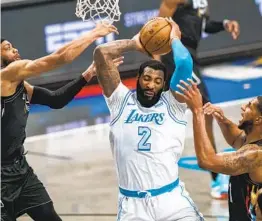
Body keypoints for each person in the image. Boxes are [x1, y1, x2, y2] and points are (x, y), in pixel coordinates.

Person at [1, 23, 118, 221]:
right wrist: (93, 34)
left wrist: (87, 75)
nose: (15, 49)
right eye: (7, 48)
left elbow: (56, 100)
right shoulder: (5, 76)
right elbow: (59, 58)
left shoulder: (20, 85)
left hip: (20, 170)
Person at [93, 18, 204, 220]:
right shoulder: (120, 101)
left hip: (172, 201)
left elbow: (185, 63)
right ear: (138, 78)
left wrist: (174, 38)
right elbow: (102, 54)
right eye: (147, 78)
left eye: (157, 81)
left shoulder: (173, 104)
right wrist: (135, 44)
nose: (151, 85)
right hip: (133, 207)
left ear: (163, 85)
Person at [157, 0, 240, 199]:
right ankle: (216, 179)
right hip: (178, 58)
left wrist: (224, 24)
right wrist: (156, 65)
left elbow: (202, 26)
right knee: (204, 109)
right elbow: (158, 27)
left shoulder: (202, 2)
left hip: (192, 57)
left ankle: (213, 176)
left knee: (180, 113)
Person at [176, 79, 262, 220]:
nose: (242, 107)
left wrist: (197, 112)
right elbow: (237, 139)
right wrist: (222, 119)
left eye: (249, 106)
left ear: (259, 120)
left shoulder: (255, 155)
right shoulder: (252, 142)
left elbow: (206, 161)